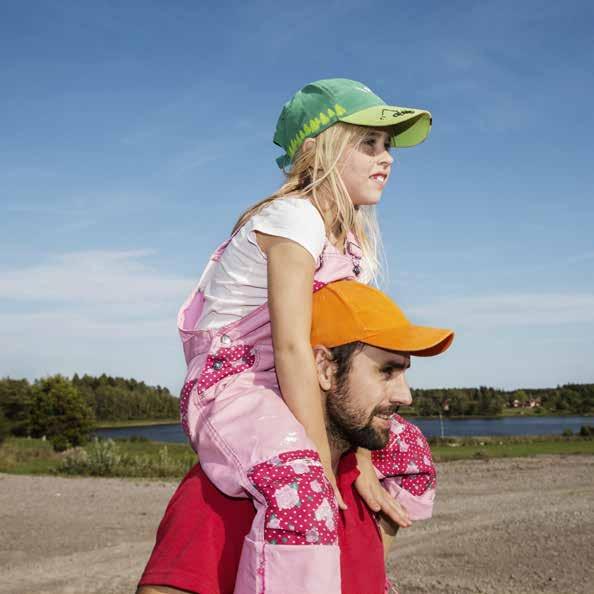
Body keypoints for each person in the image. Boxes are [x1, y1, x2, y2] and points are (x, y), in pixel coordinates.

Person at [176, 79, 435, 594]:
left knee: (409, 457)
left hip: (292, 377)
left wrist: (360, 457)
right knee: (300, 485)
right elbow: (293, 344)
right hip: (233, 382)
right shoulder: (294, 218)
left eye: (387, 147)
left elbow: (343, 349)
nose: (386, 159)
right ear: (316, 153)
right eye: (368, 144)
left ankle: (359, 574)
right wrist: (321, 458)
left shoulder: (353, 245)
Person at [139, 280, 454, 594]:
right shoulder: (234, 489)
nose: (406, 395)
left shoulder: (367, 488)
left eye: (404, 373)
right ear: (324, 368)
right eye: (387, 371)